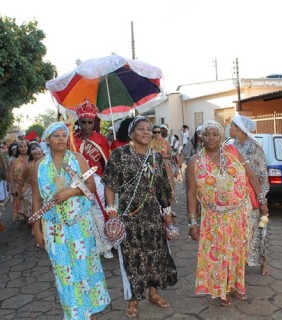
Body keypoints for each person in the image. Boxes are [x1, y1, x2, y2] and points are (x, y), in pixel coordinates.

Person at [31, 122, 110, 320]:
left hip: (80, 225)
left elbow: (91, 187)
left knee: (85, 269)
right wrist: (37, 229)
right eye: (56, 135)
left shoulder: (76, 159)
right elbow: (36, 199)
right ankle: (73, 315)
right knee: (64, 272)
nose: (61, 139)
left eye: (63, 135)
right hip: (54, 228)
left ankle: (89, 312)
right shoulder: (39, 167)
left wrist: (71, 191)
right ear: (47, 140)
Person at [186, 120, 268, 307]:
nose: (211, 138)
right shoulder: (194, 161)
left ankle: (237, 285)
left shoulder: (233, 153)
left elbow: (252, 177)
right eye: (207, 134)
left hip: (238, 215)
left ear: (221, 136)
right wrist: (192, 222)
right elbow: (191, 193)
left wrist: (262, 200)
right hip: (213, 218)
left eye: (215, 134)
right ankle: (222, 290)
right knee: (218, 254)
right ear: (201, 137)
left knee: (237, 252)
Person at [102, 116, 177, 318]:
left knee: (155, 255)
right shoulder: (119, 155)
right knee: (133, 258)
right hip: (129, 217)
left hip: (153, 217)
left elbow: (163, 189)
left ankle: (154, 293)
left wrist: (168, 215)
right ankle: (134, 300)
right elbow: (109, 185)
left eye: (149, 129)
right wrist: (111, 212)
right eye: (141, 129)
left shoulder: (156, 157)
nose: (146, 132)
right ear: (131, 133)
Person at [229, 114, 270, 275]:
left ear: (239, 128)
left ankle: (264, 262)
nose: (229, 129)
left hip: (252, 195)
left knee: (259, 228)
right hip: (235, 197)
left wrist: (262, 200)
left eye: (231, 126)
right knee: (239, 231)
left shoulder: (254, 147)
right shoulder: (231, 145)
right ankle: (240, 262)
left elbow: (261, 176)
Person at [73, 98, 113, 258]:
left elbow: (107, 160)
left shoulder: (100, 139)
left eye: (90, 122)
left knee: (102, 209)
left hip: (99, 179)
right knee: (84, 212)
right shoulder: (72, 139)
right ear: (79, 122)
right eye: (84, 122)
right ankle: (91, 245)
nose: (87, 125)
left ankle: (107, 244)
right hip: (80, 181)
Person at [150, 125, 176, 202]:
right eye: (155, 132)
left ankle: (169, 210)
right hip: (154, 167)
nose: (157, 133)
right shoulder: (149, 143)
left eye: (159, 132)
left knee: (169, 188)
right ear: (152, 133)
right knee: (156, 188)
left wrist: (161, 156)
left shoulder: (165, 142)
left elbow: (170, 156)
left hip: (166, 167)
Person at [18, 146, 44, 219]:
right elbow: (23, 179)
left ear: (42, 154)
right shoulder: (29, 166)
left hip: (44, 188)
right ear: (32, 155)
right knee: (32, 209)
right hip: (31, 190)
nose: (38, 156)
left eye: (39, 153)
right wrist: (20, 192)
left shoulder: (46, 164)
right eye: (35, 154)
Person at [7, 140, 30, 222]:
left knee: (29, 204)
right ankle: (27, 220)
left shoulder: (30, 157)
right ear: (18, 148)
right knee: (21, 205)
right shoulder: (14, 159)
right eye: (21, 147)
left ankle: (30, 220)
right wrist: (12, 187)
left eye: (25, 146)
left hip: (30, 186)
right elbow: (10, 174)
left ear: (28, 147)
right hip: (18, 186)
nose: (23, 148)